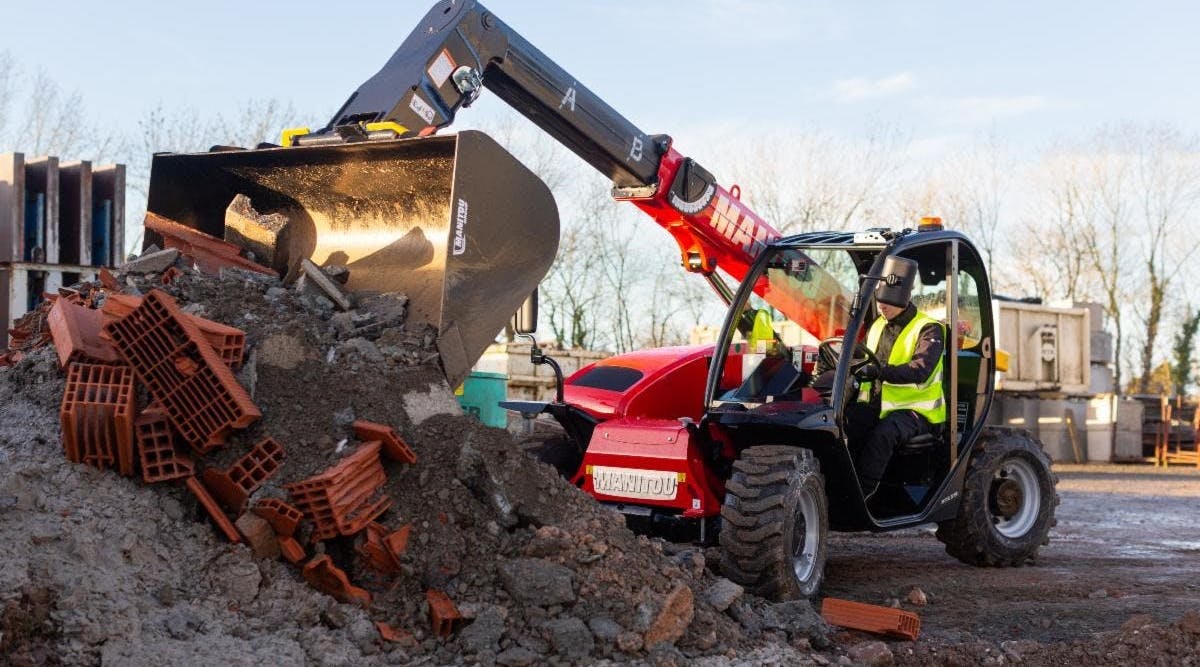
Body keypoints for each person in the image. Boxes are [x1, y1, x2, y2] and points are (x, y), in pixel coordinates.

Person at [852, 256, 946, 499]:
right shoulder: (878, 325)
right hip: (879, 403)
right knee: (846, 423)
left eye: (887, 303)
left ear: (903, 298)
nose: (881, 307)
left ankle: (862, 495)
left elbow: (920, 369)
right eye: (879, 301)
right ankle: (839, 487)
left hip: (917, 412)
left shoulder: (928, 328)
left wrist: (879, 371)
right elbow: (860, 355)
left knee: (885, 433)